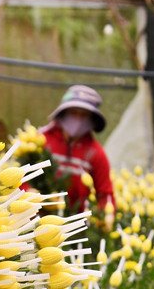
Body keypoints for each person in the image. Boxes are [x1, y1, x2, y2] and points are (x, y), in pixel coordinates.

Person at [39, 85, 116, 220]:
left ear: (92, 120)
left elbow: (105, 194)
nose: (78, 118)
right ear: (63, 113)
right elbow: (22, 176)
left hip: (74, 223)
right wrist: (32, 194)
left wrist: (107, 217)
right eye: (73, 112)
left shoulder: (96, 153)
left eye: (84, 115)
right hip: (36, 218)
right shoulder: (42, 140)